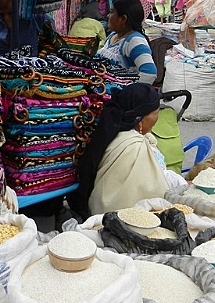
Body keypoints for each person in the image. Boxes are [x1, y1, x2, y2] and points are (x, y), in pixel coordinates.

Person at [69, 83, 182, 218]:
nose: (157, 119)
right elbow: (154, 186)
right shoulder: (134, 147)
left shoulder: (115, 135)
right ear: (140, 119)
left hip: (101, 211)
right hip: (122, 217)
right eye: (156, 113)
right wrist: (184, 185)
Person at [97, 0, 157, 84]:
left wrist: (131, 91)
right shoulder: (112, 36)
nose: (108, 16)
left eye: (111, 12)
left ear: (123, 19)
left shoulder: (134, 41)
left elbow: (149, 73)